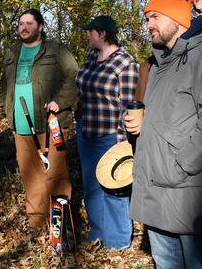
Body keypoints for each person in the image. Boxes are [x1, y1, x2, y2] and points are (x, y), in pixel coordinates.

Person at [128, 0, 202, 268]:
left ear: (177, 18)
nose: (148, 24)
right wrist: (140, 123)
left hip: (188, 192)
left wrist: (178, 167)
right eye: (147, 18)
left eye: (154, 17)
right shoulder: (161, 62)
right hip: (157, 188)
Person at [2, 8, 78, 229]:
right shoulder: (12, 53)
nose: (23, 28)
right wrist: (9, 115)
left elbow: (75, 77)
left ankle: (59, 225)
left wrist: (60, 101)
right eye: (20, 24)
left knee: (56, 174)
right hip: (21, 125)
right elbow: (6, 86)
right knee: (31, 175)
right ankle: (36, 222)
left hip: (51, 123)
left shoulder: (56, 50)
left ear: (40, 26)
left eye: (29, 23)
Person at [76, 15, 139, 248]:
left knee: (114, 187)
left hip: (110, 135)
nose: (87, 34)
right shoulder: (92, 56)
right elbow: (82, 87)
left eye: (90, 31)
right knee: (91, 186)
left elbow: (129, 106)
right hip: (86, 130)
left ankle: (118, 240)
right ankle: (98, 232)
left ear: (102, 34)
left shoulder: (125, 63)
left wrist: (124, 146)